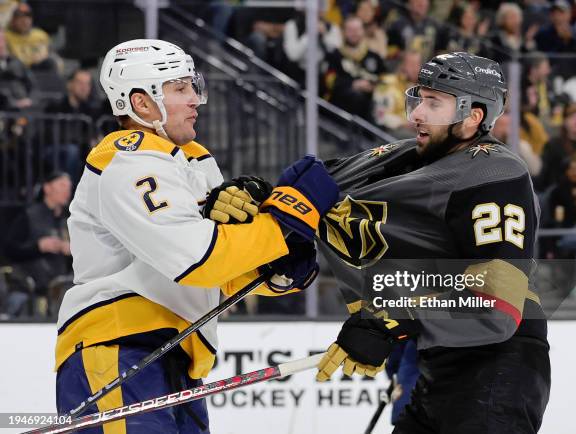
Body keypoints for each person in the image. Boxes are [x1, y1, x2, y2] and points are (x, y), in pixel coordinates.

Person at [54, 39, 338, 434]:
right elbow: (197, 260)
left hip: (175, 358)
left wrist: (279, 268)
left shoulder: (194, 161)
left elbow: (227, 270)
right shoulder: (125, 160)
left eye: (193, 86)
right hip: (119, 349)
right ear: (142, 104)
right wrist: (281, 223)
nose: (195, 100)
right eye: (180, 88)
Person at [314, 52, 550, 433]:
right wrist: (264, 194)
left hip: (498, 368)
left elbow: (497, 303)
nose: (416, 114)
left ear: (473, 116)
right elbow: (324, 183)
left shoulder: (496, 171)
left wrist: (392, 320)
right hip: (438, 366)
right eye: (418, 99)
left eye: (433, 102)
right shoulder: (419, 158)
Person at [5, 171, 72, 316]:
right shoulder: (29, 215)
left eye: (69, 187)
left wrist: (72, 250)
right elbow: (9, 250)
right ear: (47, 188)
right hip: (26, 290)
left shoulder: (69, 219)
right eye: (62, 185)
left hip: (58, 294)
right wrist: (38, 247)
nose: (67, 190)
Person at [323, 15, 386, 123]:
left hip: (369, 108)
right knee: (355, 95)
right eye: (350, 30)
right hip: (341, 107)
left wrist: (372, 86)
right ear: (344, 32)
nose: (354, 33)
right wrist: (354, 84)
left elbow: (385, 79)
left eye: (357, 29)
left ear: (363, 31)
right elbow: (330, 81)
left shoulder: (374, 56)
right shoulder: (335, 55)